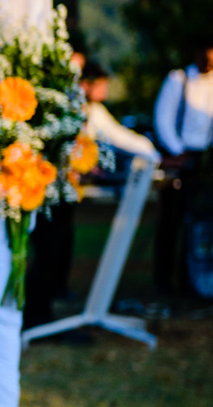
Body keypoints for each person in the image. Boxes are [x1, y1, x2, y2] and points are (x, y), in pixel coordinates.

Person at [23, 60, 160, 327]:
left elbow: (119, 136)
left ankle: (45, 309)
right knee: (48, 250)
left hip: (66, 191)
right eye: (101, 84)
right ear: (85, 84)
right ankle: (36, 316)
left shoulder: (91, 111)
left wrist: (154, 155)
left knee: (58, 247)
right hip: (46, 189)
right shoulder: (62, 107)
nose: (105, 90)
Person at [153, 38, 213, 295]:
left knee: (198, 221)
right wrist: (178, 151)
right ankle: (164, 280)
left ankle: (191, 278)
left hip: (205, 158)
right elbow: (163, 118)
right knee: (172, 220)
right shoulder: (179, 79)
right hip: (180, 156)